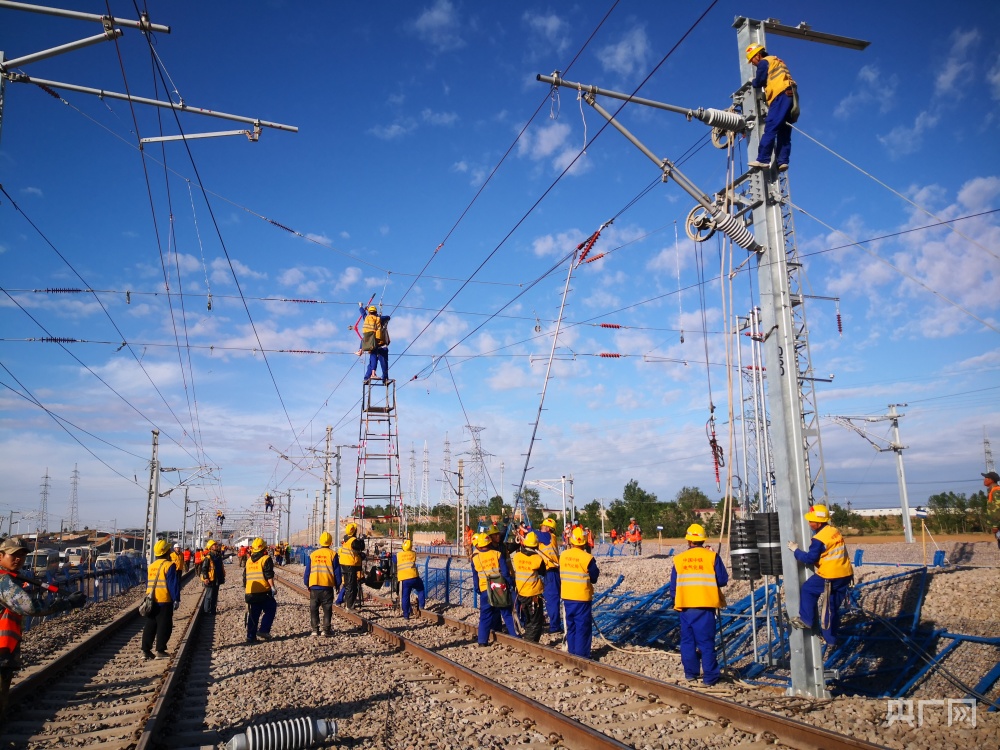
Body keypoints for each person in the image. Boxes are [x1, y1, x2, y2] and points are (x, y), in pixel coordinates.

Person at [0, 537, 86, 717]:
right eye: (13, 555)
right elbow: (30, 607)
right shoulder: (3, 582)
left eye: (22, 555)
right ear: (1, 556)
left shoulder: (10, 578)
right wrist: (65, 604)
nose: (19, 559)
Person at [668, 524, 729, 685]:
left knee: (687, 642)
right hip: (705, 605)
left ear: (689, 540)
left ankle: (691, 674)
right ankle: (710, 678)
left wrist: (679, 600)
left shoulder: (679, 559)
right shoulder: (712, 557)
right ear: (703, 540)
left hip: (685, 606)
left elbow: (673, 588)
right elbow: (722, 580)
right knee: (706, 643)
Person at [787, 504, 854, 644]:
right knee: (832, 607)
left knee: (808, 589)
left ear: (818, 522)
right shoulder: (833, 531)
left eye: (811, 521)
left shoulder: (819, 539)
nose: (809, 523)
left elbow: (810, 558)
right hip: (845, 574)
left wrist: (796, 550)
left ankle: (806, 620)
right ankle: (831, 638)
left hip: (830, 575)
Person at [745, 43, 797, 172]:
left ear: (758, 54)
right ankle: (782, 161)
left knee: (771, 127)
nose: (753, 63)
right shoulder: (777, 60)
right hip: (791, 96)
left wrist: (753, 81)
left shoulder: (764, 62)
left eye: (752, 60)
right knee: (784, 130)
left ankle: (763, 159)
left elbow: (759, 82)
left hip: (779, 96)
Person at [471, 533, 519, 645]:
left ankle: (482, 641)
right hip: (499, 588)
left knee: (485, 616)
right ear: (489, 542)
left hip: (485, 589)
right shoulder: (497, 554)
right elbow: (505, 573)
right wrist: (510, 583)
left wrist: (478, 589)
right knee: (506, 613)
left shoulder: (475, 558)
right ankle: (516, 638)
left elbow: (475, 577)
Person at [560, 526, 599, 658]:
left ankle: (572, 653)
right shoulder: (587, 558)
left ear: (571, 541)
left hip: (567, 596)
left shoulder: (563, 555)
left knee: (571, 626)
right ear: (584, 542)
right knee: (582, 627)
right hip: (581, 597)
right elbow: (594, 576)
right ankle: (582, 656)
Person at [142, 539, 181, 660]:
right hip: (164, 600)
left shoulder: (151, 566)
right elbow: (172, 584)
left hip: (151, 599)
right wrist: (176, 599)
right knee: (164, 625)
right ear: (166, 551)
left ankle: (146, 651)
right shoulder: (169, 565)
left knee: (150, 625)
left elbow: (148, 583)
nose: (170, 550)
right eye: (169, 549)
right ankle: (160, 650)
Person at [511, 531, 547, 642]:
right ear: (536, 545)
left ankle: (528, 640)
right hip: (533, 595)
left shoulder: (517, 556)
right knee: (536, 621)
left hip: (521, 593)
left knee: (528, 618)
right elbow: (543, 572)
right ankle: (530, 643)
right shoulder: (537, 559)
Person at [243, 537, 277, 644]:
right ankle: (263, 630)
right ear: (263, 548)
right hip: (263, 591)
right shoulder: (266, 558)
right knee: (271, 608)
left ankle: (250, 636)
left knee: (253, 614)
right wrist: (272, 587)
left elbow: (245, 577)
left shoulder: (248, 561)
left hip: (251, 592)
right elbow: (268, 574)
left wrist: (247, 588)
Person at [304, 532, 337, 636]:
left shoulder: (313, 554)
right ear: (331, 543)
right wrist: (338, 585)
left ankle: (315, 629)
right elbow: (337, 572)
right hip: (327, 586)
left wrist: (307, 584)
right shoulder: (333, 554)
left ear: (320, 541)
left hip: (314, 585)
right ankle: (326, 630)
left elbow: (307, 571)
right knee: (327, 608)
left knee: (314, 608)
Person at [536, 517, 562, 634]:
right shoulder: (545, 538)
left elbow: (534, 533)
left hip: (551, 572)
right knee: (546, 598)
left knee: (552, 599)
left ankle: (555, 626)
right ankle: (549, 622)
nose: (540, 528)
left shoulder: (549, 536)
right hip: (546, 573)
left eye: (542, 526)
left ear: (548, 528)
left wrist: (525, 528)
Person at [394, 539, 425, 620]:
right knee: (421, 589)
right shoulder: (413, 554)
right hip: (414, 577)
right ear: (411, 546)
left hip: (404, 579)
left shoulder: (398, 555)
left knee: (405, 596)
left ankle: (406, 615)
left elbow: (393, 559)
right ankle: (422, 606)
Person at [360, 303, 391, 383]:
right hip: (381, 345)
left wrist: (361, 307)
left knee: (372, 363)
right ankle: (385, 379)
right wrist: (378, 316)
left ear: (370, 313)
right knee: (383, 364)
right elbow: (388, 317)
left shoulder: (367, 318)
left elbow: (363, 314)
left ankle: (367, 378)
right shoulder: (379, 319)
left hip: (374, 345)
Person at [339, 522, 365, 610]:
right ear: (354, 531)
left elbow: (353, 551)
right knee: (351, 585)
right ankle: (349, 606)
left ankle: (347, 603)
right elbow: (361, 547)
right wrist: (362, 540)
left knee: (347, 585)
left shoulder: (346, 539)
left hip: (344, 563)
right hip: (350, 565)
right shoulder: (353, 541)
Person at [200, 539, 225, 615]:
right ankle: (206, 611)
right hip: (210, 579)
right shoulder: (208, 557)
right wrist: (206, 578)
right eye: (214, 545)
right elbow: (204, 569)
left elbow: (220, 567)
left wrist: (222, 577)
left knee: (215, 596)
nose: (216, 546)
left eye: (216, 545)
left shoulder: (218, 556)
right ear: (211, 547)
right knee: (209, 596)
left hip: (217, 579)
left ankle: (213, 611)